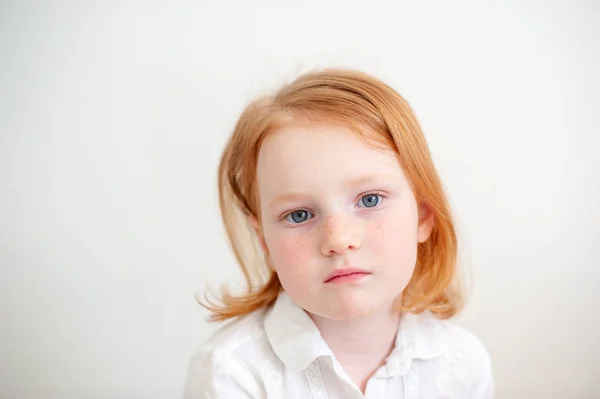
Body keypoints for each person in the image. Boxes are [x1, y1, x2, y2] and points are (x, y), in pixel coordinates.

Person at [184, 69, 494, 398]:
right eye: (299, 214)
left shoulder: (461, 365)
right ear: (263, 240)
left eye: (370, 200)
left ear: (423, 215)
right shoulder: (232, 374)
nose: (338, 239)